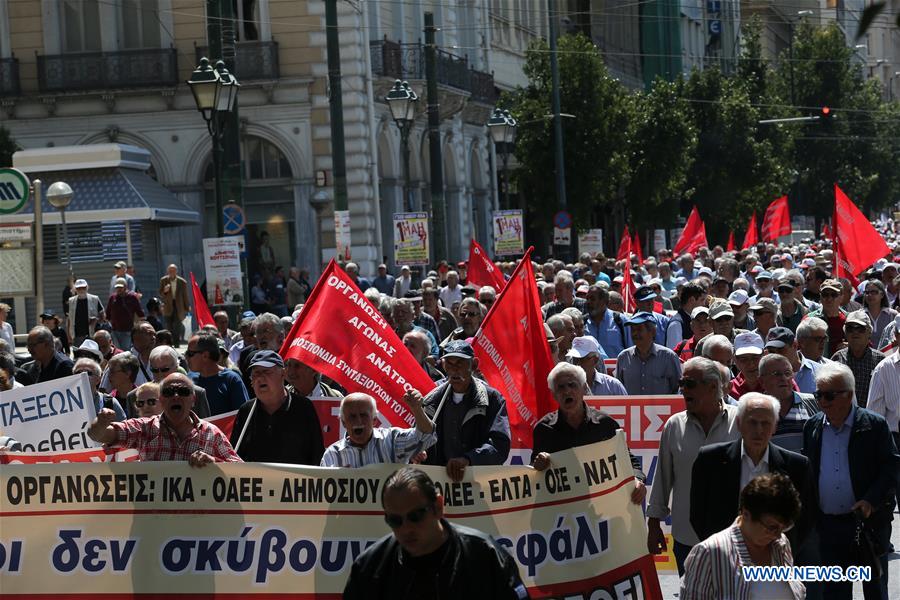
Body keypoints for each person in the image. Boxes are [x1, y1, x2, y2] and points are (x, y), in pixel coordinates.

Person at [343, 467, 529, 599]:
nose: (406, 528)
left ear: (438, 506)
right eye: (395, 521)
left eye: (416, 516)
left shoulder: (485, 556)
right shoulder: (370, 569)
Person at [803, 362, 899, 600]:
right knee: (835, 591)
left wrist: (870, 501)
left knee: (875, 588)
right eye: (819, 395)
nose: (822, 402)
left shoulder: (873, 425)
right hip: (829, 526)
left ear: (848, 395)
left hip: (869, 525)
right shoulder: (813, 426)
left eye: (828, 396)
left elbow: (891, 467)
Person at [647, 356, 740, 575]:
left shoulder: (741, 422)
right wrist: (653, 525)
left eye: (690, 384)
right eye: (681, 384)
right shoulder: (674, 425)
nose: (683, 390)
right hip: (687, 539)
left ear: (713, 387)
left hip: (734, 538)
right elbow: (662, 478)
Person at [689, 392, 810, 544]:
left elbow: (804, 521)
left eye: (765, 423)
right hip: (725, 556)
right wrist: (720, 550)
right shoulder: (710, 460)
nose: (758, 430)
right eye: (752, 422)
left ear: (774, 427)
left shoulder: (797, 466)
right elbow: (698, 515)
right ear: (739, 423)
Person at [531, 362, 646, 502]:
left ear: (584, 388)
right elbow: (534, 478)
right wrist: (538, 467)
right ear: (554, 395)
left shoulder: (605, 425)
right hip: (564, 510)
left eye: (572, 385)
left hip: (602, 508)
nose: (567, 391)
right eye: (561, 387)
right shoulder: (543, 430)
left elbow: (629, 461)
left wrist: (637, 480)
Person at [681, 473, 805, 600]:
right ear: (746, 514)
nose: (778, 535)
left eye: (784, 527)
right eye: (772, 527)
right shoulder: (708, 553)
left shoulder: (781, 544)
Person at [88, 372, 241, 465]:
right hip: (155, 517)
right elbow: (98, 435)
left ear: (193, 399)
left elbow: (242, 471)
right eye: (169, 392)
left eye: (182, 391)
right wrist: (100, 423)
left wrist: (214, 462)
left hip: (196, 517)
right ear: (161, 399)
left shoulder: (211, 433)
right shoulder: (145, 428)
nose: (175, 396)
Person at [422, 340, 510, 480]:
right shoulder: (431, 397)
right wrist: (418, 451)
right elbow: (419, 437)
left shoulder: (491, 398)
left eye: (460, 363)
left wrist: (469, 460)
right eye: (449, 364)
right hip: (438, 482)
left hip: (476, 483)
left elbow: (499, 445)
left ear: (474, 365)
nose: (454, 370)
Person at [230, 350, 325, 465]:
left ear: (283, 374)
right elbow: (234, 458)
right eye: (256, 373)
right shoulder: (246, 411)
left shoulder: (304, 408)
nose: (260, 378)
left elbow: (317, 455)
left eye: (266, 372)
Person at [321, 390, 435, 467]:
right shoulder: (332, 455)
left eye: (363, 415)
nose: (359, 421)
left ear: (374, 420)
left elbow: (426, 436)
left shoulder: (392, 441)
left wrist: (417, 409)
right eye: (352, 416)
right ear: (343, 422)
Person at [758, 354, 819, 453]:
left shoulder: (812, 402)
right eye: (776, 374)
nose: (783, 378)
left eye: (787, 373)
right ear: (761, 381)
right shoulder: (756, 410)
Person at [615, 312, 681, 395]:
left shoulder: (668, 357)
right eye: (633, 330)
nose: (635, 333)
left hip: (661, 408)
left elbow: (678, 389)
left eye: (639, 329)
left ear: (652, 332)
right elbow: (618, 391)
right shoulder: (623, 357)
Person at [830, 309, 886, 406]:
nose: (855, 332)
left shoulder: (881, 361)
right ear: (845, 333)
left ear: (869, 332)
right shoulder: (837, 359)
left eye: (860, 328)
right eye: (850, 328)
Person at [187, 334, 250, 415]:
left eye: (190, 353)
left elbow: (243, 415)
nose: (186, 357)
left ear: (205, 356)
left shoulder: (231, 380)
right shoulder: (189, 379)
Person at [73, 357, 127, 422]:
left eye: (88, 373)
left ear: (98, 379)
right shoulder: (63, 403)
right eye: (78, 372)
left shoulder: (109, 403)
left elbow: (122, 429)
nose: (82, 375)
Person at [806, 278, 846, 356]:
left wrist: (851, 346)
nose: (829, 298)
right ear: (820, 297)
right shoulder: (809, 320)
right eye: (825, 294)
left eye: (833, 295)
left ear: (841, 297)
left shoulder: (849, 320)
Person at [106, 277, 144, 350]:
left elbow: (140, 312)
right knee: (116, 349)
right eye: (117, 287)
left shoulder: (132, 297)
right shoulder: (113, 298)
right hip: (114, 330)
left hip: (128, 330)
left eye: (121, 287)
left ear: (125, 287)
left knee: (125, 349)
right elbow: (108, 313)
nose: (119, 289)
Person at [665, 282, 707, 348]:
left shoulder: (690, 320)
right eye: (702, 300)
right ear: (692, 300)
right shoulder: (676, 324)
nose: (704, 304)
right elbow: (674, 353)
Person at [66, 279, 105, 346]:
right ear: (75, 289)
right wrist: (69, 336)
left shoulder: (94, 299)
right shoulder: (71, 301)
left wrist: (96, 320)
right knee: (78, 355)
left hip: (92, 334)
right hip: (76, 336)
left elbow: (102, 315)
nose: (81, 290)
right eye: (79, 288)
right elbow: (69, 319)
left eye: (83, 288)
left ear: (87, 288)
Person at [158, 264, 189, 346]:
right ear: (168, 271)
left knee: (177, 325)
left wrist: (187, 307)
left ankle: (176, 343)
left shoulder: (182, 282)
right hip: (168, 306)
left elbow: (185, 295)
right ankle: (169, 343)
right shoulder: (163, 280)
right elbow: (160, 294)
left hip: (179, 306)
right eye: (170, 271)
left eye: (173, 270)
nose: (172, 272)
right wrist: (165, 291)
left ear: (176, 271)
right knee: (169, 325)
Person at [862, 279, 896, 346]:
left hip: (888, 355)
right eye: (867, 292)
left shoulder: (893, 315)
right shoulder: (859, 315)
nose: (870, 295)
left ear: (882, 294)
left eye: (874, 292)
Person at [729, 331, 764, 397]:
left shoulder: (775, 385)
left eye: (755, 357)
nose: (751, 364)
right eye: (744, 359)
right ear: (735, 360)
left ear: (764, 356)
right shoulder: (730, 389)